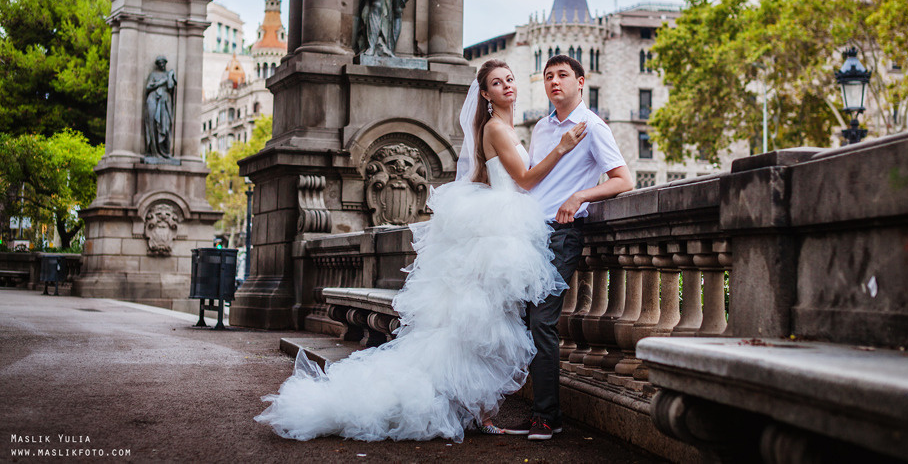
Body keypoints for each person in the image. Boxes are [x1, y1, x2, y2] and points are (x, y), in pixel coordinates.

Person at [255, 59, 587, 442]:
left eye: (510, 79)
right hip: (499, 230)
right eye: (498, 83)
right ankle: (464, 408)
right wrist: (562, 149)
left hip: (503, 226)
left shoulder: (506, 127)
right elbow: (526, 179)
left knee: (485, 322)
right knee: (478, 323)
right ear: (485, 94)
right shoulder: (496, 128)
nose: (508, 86)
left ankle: (477, 409)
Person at [502, 54, 632, 440]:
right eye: (548, 77)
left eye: (562, 76)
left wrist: (580, 196)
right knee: (524, 320)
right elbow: (535, 180)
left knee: (543, 320)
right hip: (529, 233)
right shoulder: (542, 127)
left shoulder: (593, 126)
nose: (554, 82)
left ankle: (548, 416)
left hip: (562, 234)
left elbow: (623, 179)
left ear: (581, 80)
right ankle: (537, 408)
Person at [143, 55, 176, 159]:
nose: (162, 65)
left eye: (163, 63)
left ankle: (165, 152)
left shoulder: (168, 74)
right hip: (153, 99)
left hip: (165, 101)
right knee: (153, 125)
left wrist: (170, 78)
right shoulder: (153, 74)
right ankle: (154, 151)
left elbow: (171, 87)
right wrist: (162, 82)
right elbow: (148, 87)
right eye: (160, 63)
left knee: (165, 126)